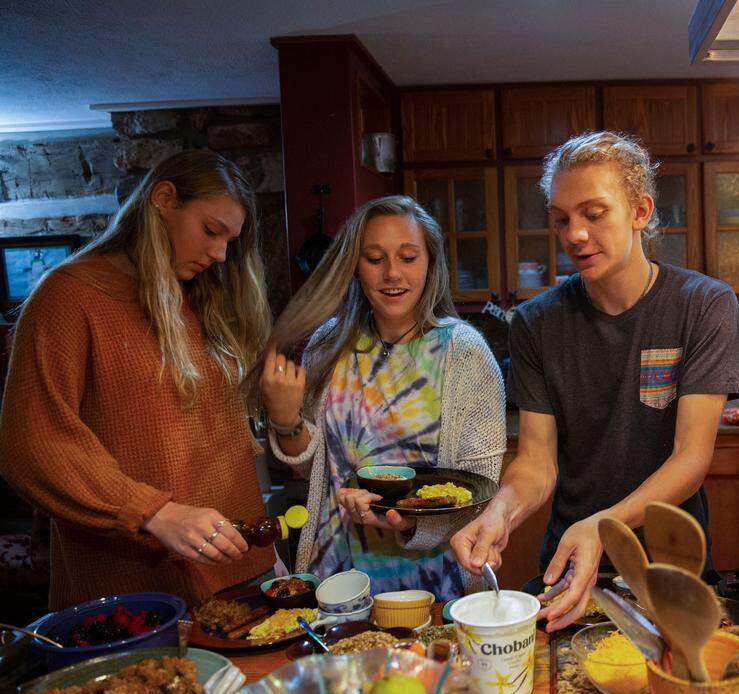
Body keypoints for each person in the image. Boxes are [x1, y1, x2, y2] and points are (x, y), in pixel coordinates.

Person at [450, 131, 739, 630]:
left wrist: (602, 525)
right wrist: (500, 512)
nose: (575, 235)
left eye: (594, 213)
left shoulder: (702, 306)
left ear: (639, 211)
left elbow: (691, 460)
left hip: (669, 568)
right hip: (568, 567)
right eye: (562, 219)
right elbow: (536, 463)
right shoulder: (535, 323)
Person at [0, 150, 274, 608]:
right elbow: (32, 444)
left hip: (239, 573)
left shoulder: (204, 300)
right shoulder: (69, 296)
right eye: (211, 231)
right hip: (128, 591)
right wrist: (153, 513)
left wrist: (266, 561)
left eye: (230, 240)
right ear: (163, 199)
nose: (220, 254)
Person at [254, 195, 504, 601]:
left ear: (430, 263)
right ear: (354, 266)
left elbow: (479, 495)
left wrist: (404, 521)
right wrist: (286, 422)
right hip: (336, 575)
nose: (392, 274)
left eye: (408, 257)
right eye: (375, 259)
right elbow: (314, 472)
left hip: (433, 582)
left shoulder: (465, 354)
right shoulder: (327, 346)